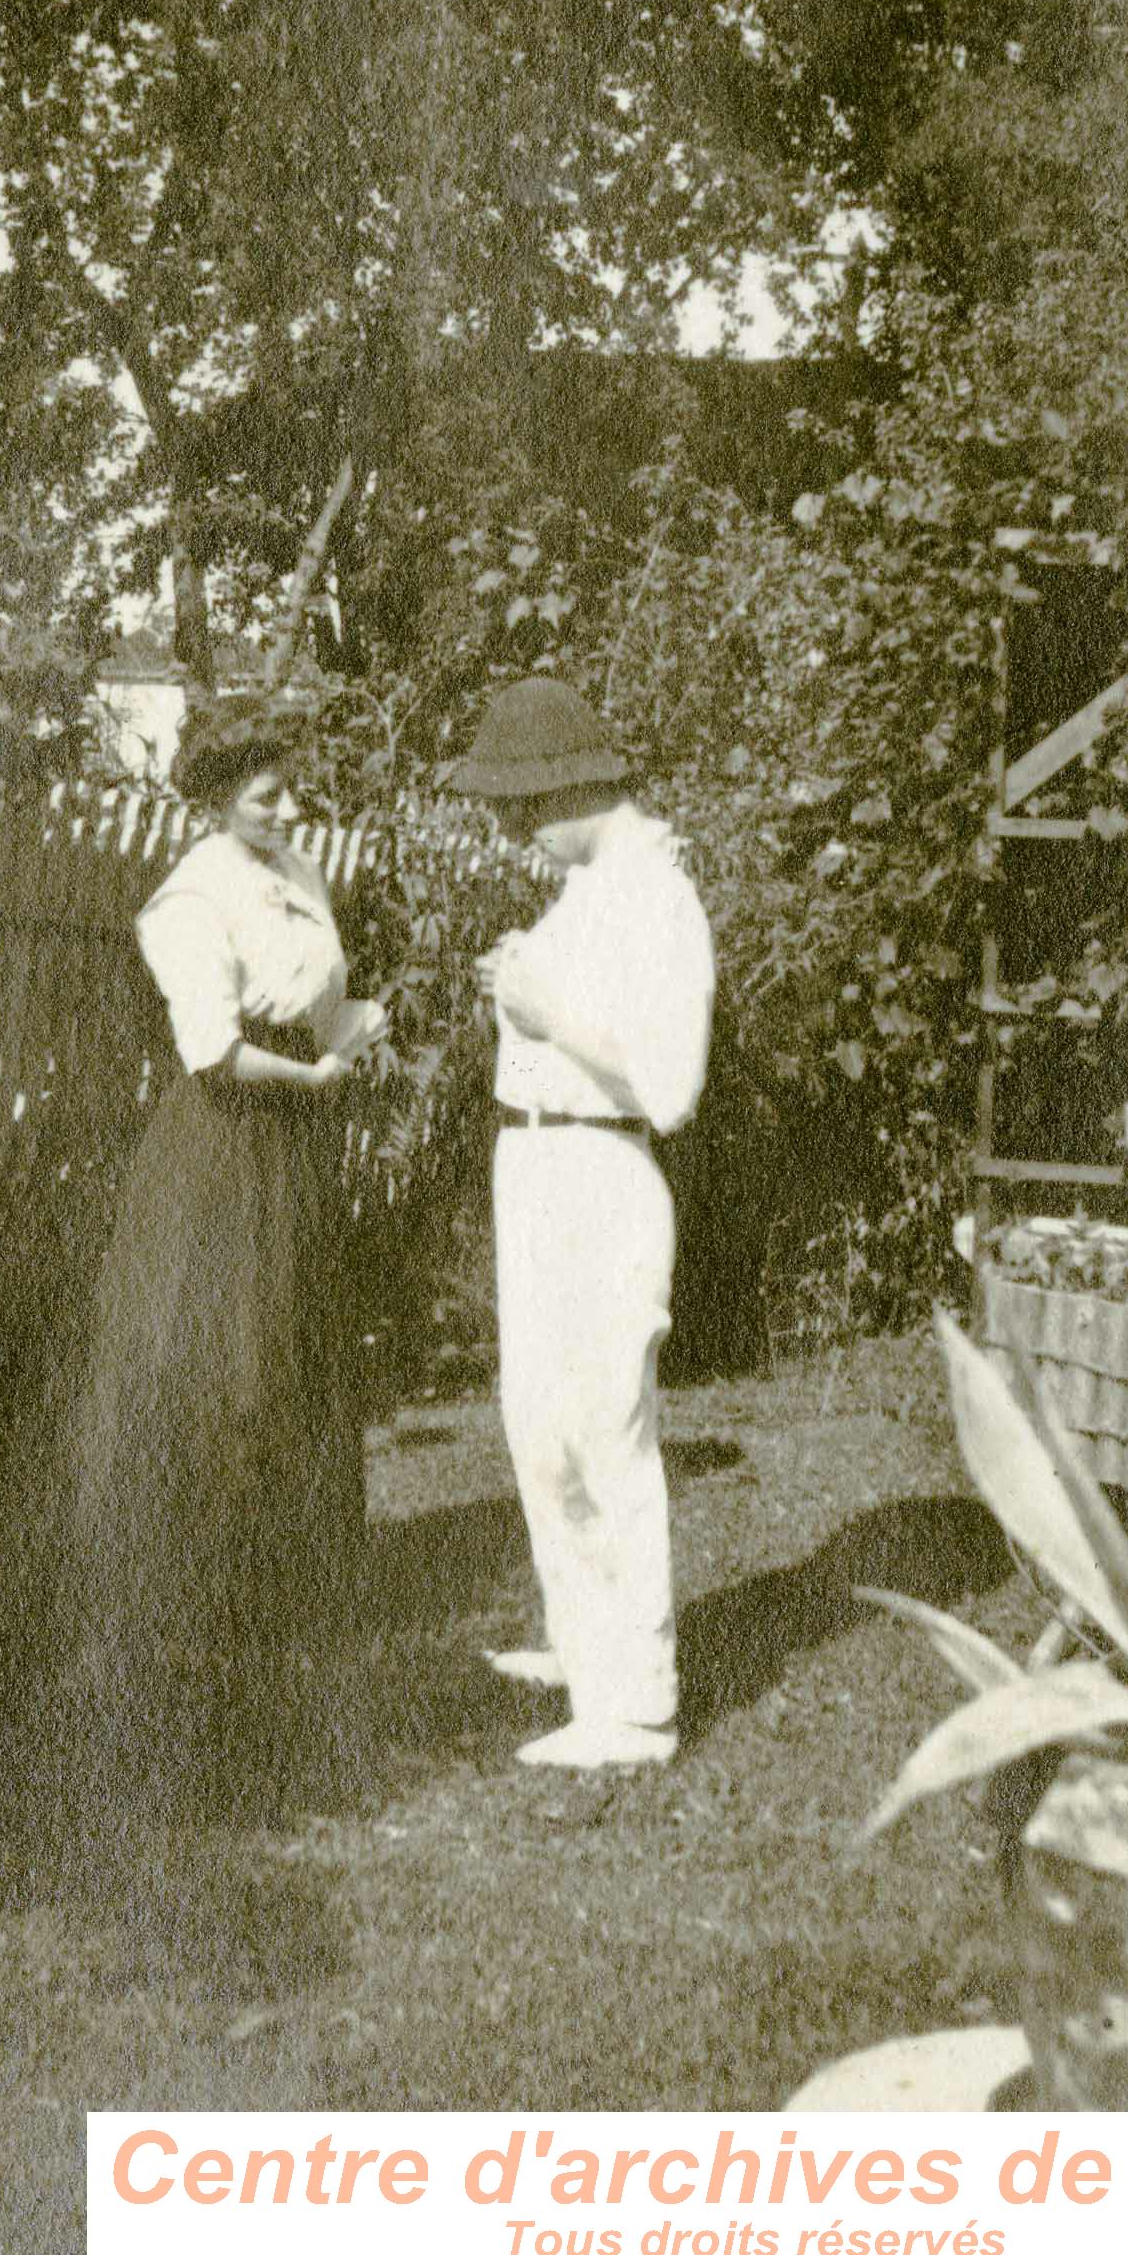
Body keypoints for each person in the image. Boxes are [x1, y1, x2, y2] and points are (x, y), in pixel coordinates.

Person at [58, 705, 387, 1684]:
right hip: (221, 1141)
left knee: (293, 1350)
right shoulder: (188, 901)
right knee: (221, 1365)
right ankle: (182, 1621)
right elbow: (211, 1052)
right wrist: (315, 1079)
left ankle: (289, 1612)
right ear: (212, 802)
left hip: (294, 1142)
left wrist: (355, 1034)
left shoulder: (299, 873)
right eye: (263, 797)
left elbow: (323, 1004)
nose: (286, 809)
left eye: (288, 790)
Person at [441, 677, 715, 1770]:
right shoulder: (597, 883)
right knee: (539, 1427)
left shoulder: (657, 894)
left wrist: (550, 1011)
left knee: (603, 1426)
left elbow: (669, 1081)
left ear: (566, 787)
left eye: (517, 806)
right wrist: (524, 979)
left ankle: (637, 1706)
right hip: (541, 1161)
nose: (510, 829)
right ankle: (584, 1647)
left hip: (600, 1174)